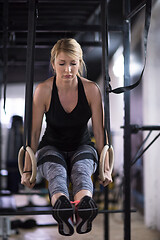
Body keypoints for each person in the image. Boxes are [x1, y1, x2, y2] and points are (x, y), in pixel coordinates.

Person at [21, 38, 112, 236]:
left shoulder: (91, 90)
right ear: (53, 63)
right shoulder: (43, 90)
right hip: (51, 147)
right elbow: (34, 132)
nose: (68, 70)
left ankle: (85, 207)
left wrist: (105, 167)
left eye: (73, 63)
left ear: (80, 63)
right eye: (62, 64)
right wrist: (28, 169)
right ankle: (62, 211)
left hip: (82, 146)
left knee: (82, 169)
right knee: (56, 172)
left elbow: (99, 130)